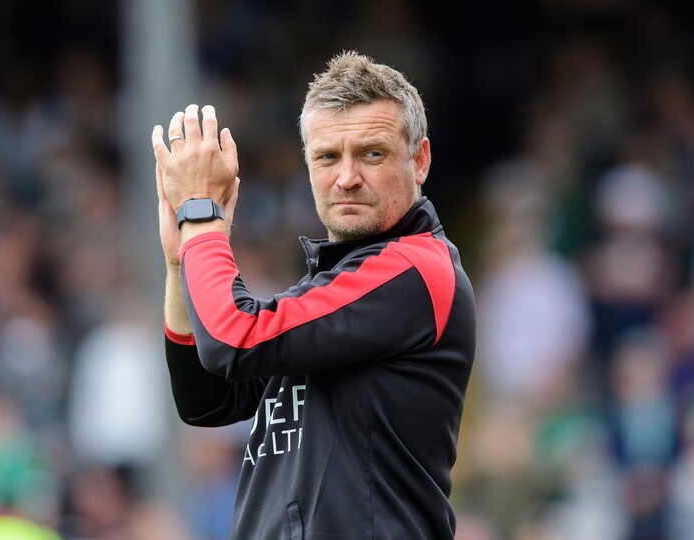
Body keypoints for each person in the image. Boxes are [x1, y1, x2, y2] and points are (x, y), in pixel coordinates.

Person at [152, 51, 476, 539]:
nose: (346, 177)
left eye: (371, 153)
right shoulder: (337, 284)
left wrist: (202, 217)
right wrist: (182, 263)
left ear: (420, 159)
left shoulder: (413, 269)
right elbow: (205, 400)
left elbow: (234, 339)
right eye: (327, 156)